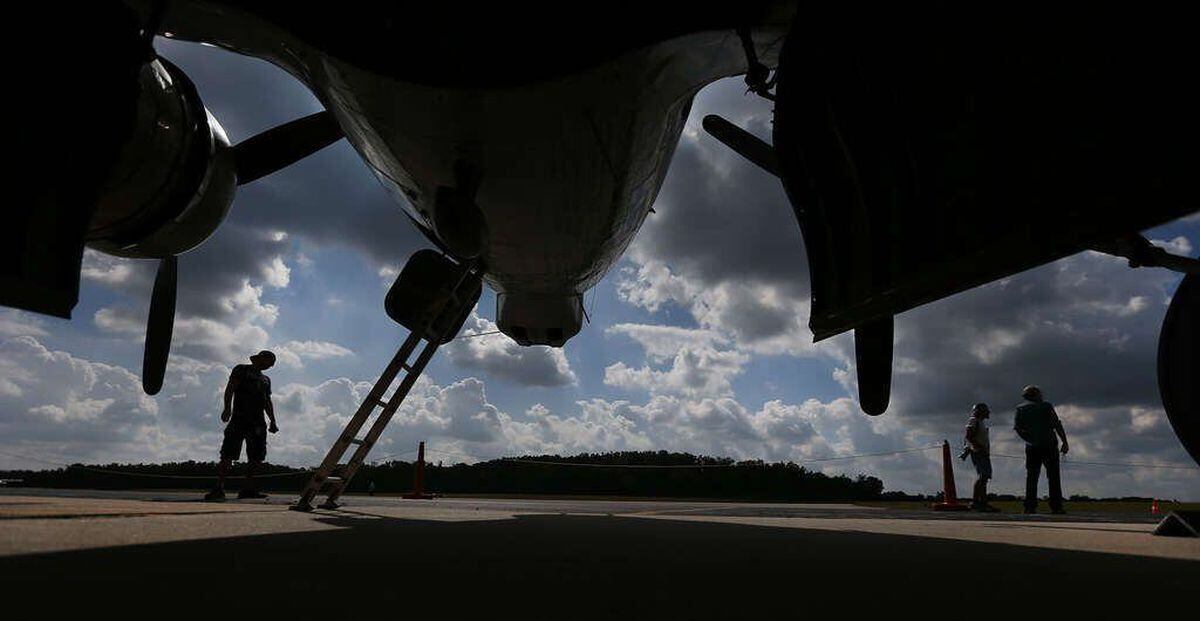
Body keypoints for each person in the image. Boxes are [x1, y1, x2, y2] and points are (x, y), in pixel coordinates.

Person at [205, 350, 278, 501]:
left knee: (256, 457)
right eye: (268, 362)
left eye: (271, 364)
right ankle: (218, 488)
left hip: (258, 422)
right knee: (228, 453)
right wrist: (227, 408)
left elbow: (267, 401)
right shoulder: (241, 369)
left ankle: (248, 489)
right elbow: (230, 388)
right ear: (260, 359)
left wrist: (273, 420)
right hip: (239, 418)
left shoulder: (266, 380)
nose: (269, 366)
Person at [1013, 385, 1068, 514]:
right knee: (1053, 476)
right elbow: (1056, 424)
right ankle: (1056, 506)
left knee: (1032, 476)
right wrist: (1064, 441)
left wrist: (1029, 439)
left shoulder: (1020, 409)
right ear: (1036, 394)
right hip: (1049, 444)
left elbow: (1018, 428)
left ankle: (1030, 506)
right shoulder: (1046, 406)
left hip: (1032, 447)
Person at [963, 403, 999, 512]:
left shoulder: (981, 423)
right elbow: (968, 436)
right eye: (986, 410)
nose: (989, 412)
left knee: (985, 477)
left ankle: (982, 502)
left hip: (982, 452)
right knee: (983, 476)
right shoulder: (974, 421)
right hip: (979, 452)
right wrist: (979, 447)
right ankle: (976, 502)